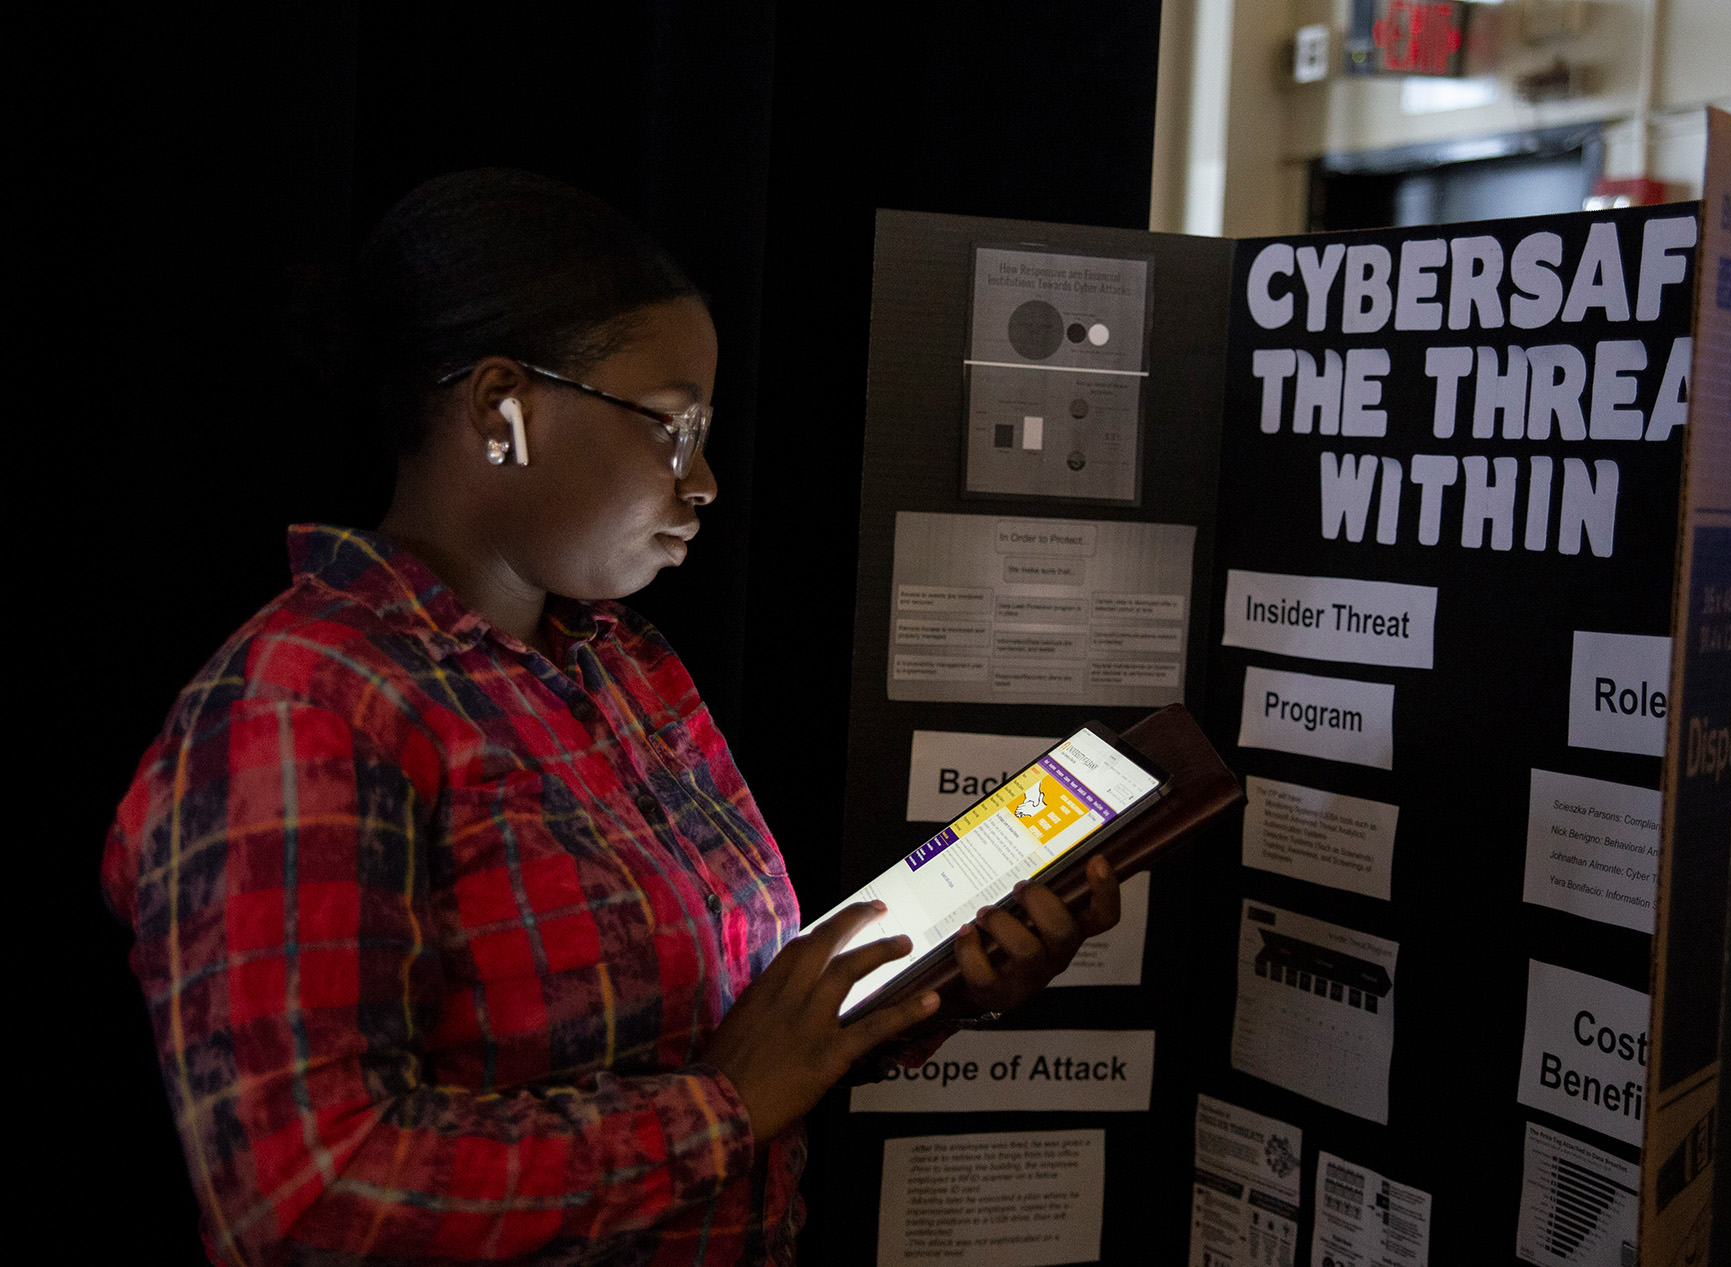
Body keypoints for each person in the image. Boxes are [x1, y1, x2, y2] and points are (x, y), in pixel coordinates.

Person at [102, 168, 1123, 1267]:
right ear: (504, 409)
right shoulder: (300, 709)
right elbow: (308, 1198)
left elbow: (726, 1042)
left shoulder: (625, 667)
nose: (706, 481)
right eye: (671, 428)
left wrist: (918, 996)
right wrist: (725, 1108)